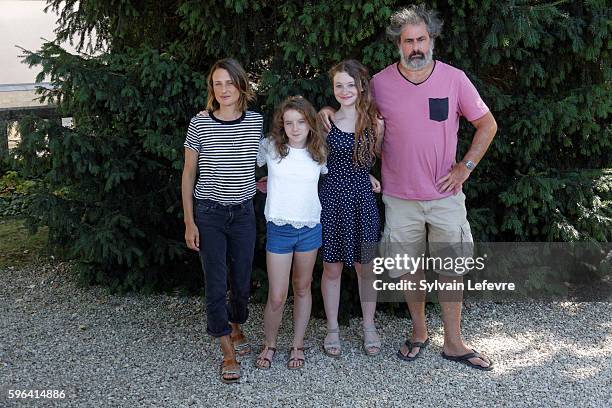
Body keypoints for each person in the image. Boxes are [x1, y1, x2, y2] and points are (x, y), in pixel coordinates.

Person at [320, 5, 498, 370]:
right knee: (406, 267)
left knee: (451, 267)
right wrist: (325, 110)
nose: (415, 47)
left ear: (431, 40)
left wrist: (465, 168)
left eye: (421, 39)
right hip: (399, 197)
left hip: (446, 195)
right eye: (408, 41)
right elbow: (352, 112)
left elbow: (487, 125)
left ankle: (454, 342)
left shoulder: (455, 79)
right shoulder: (381, 84)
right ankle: (419, 333)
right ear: (398, 45)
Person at [182, 58, 263, 383]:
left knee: (242, 281)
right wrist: (190, 221)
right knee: (216, 283)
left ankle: (236, 323)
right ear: (212, 89)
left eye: (229, 82)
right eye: (218, 83)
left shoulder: (256, 122)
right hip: (210, 214)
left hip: (243, 213)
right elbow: (189, 174)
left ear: (241, 85)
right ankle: (227, 352)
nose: (224, 89)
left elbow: (276, 154)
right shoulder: (199, 124)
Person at [253, 96, 327, 370]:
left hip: (309, 227)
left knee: (303, 287)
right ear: (281, 126)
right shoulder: (271, 147)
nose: (295, 128)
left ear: (310, 123)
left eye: (301, 122)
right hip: (279, 229)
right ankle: (269, 344)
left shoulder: (318, 152)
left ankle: (297, 344)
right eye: (288, 123)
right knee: (277, 294)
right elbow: (243, 155)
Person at [319, 60, 384, 357]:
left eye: (350, 85)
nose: (344, 91)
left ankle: (369, 326)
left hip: (362, 201)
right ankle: (332, 328)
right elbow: (313, 160)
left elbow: (372, 158)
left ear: (361, 87)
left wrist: (368, 175)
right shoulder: (325, 121)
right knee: (331, 267)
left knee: (366, 267)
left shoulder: (375, 123)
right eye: (338, 85)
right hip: (332, 199)